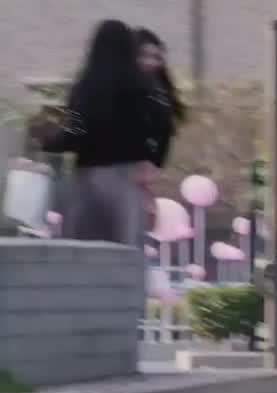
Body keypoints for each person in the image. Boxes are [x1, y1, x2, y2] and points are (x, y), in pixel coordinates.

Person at [31, 20, 166, 246]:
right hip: (128, 177)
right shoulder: (144, 88)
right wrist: (153, 161)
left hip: (88, 176)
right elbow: (161, 126)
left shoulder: (84, 88)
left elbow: (76, 131)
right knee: (127, 246)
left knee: (85, 249)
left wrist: (48, 142)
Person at [134, 28, 184, 170]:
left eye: (156, 57)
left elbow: (163, 137)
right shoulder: (115, 89)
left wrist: (152, 164)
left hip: (145, 170)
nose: (150, 62)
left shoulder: (160, 95)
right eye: (143, 55)